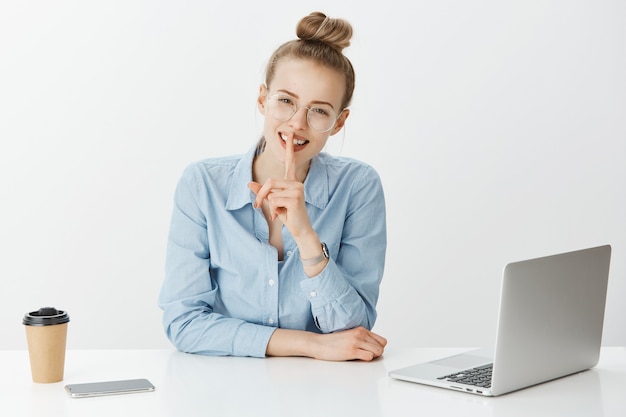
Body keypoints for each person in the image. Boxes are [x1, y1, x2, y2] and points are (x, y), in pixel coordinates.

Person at [158, 11, 387, 361]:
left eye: (319, 111)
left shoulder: (358, 187)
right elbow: (184, 322)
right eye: (286, 101)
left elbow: (353, 331)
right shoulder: (202, 184)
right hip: (222, 391)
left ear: (339, 122)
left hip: (328, 393)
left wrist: (307, 237)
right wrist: (310, 344)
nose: (296, 124)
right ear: (263, 99)